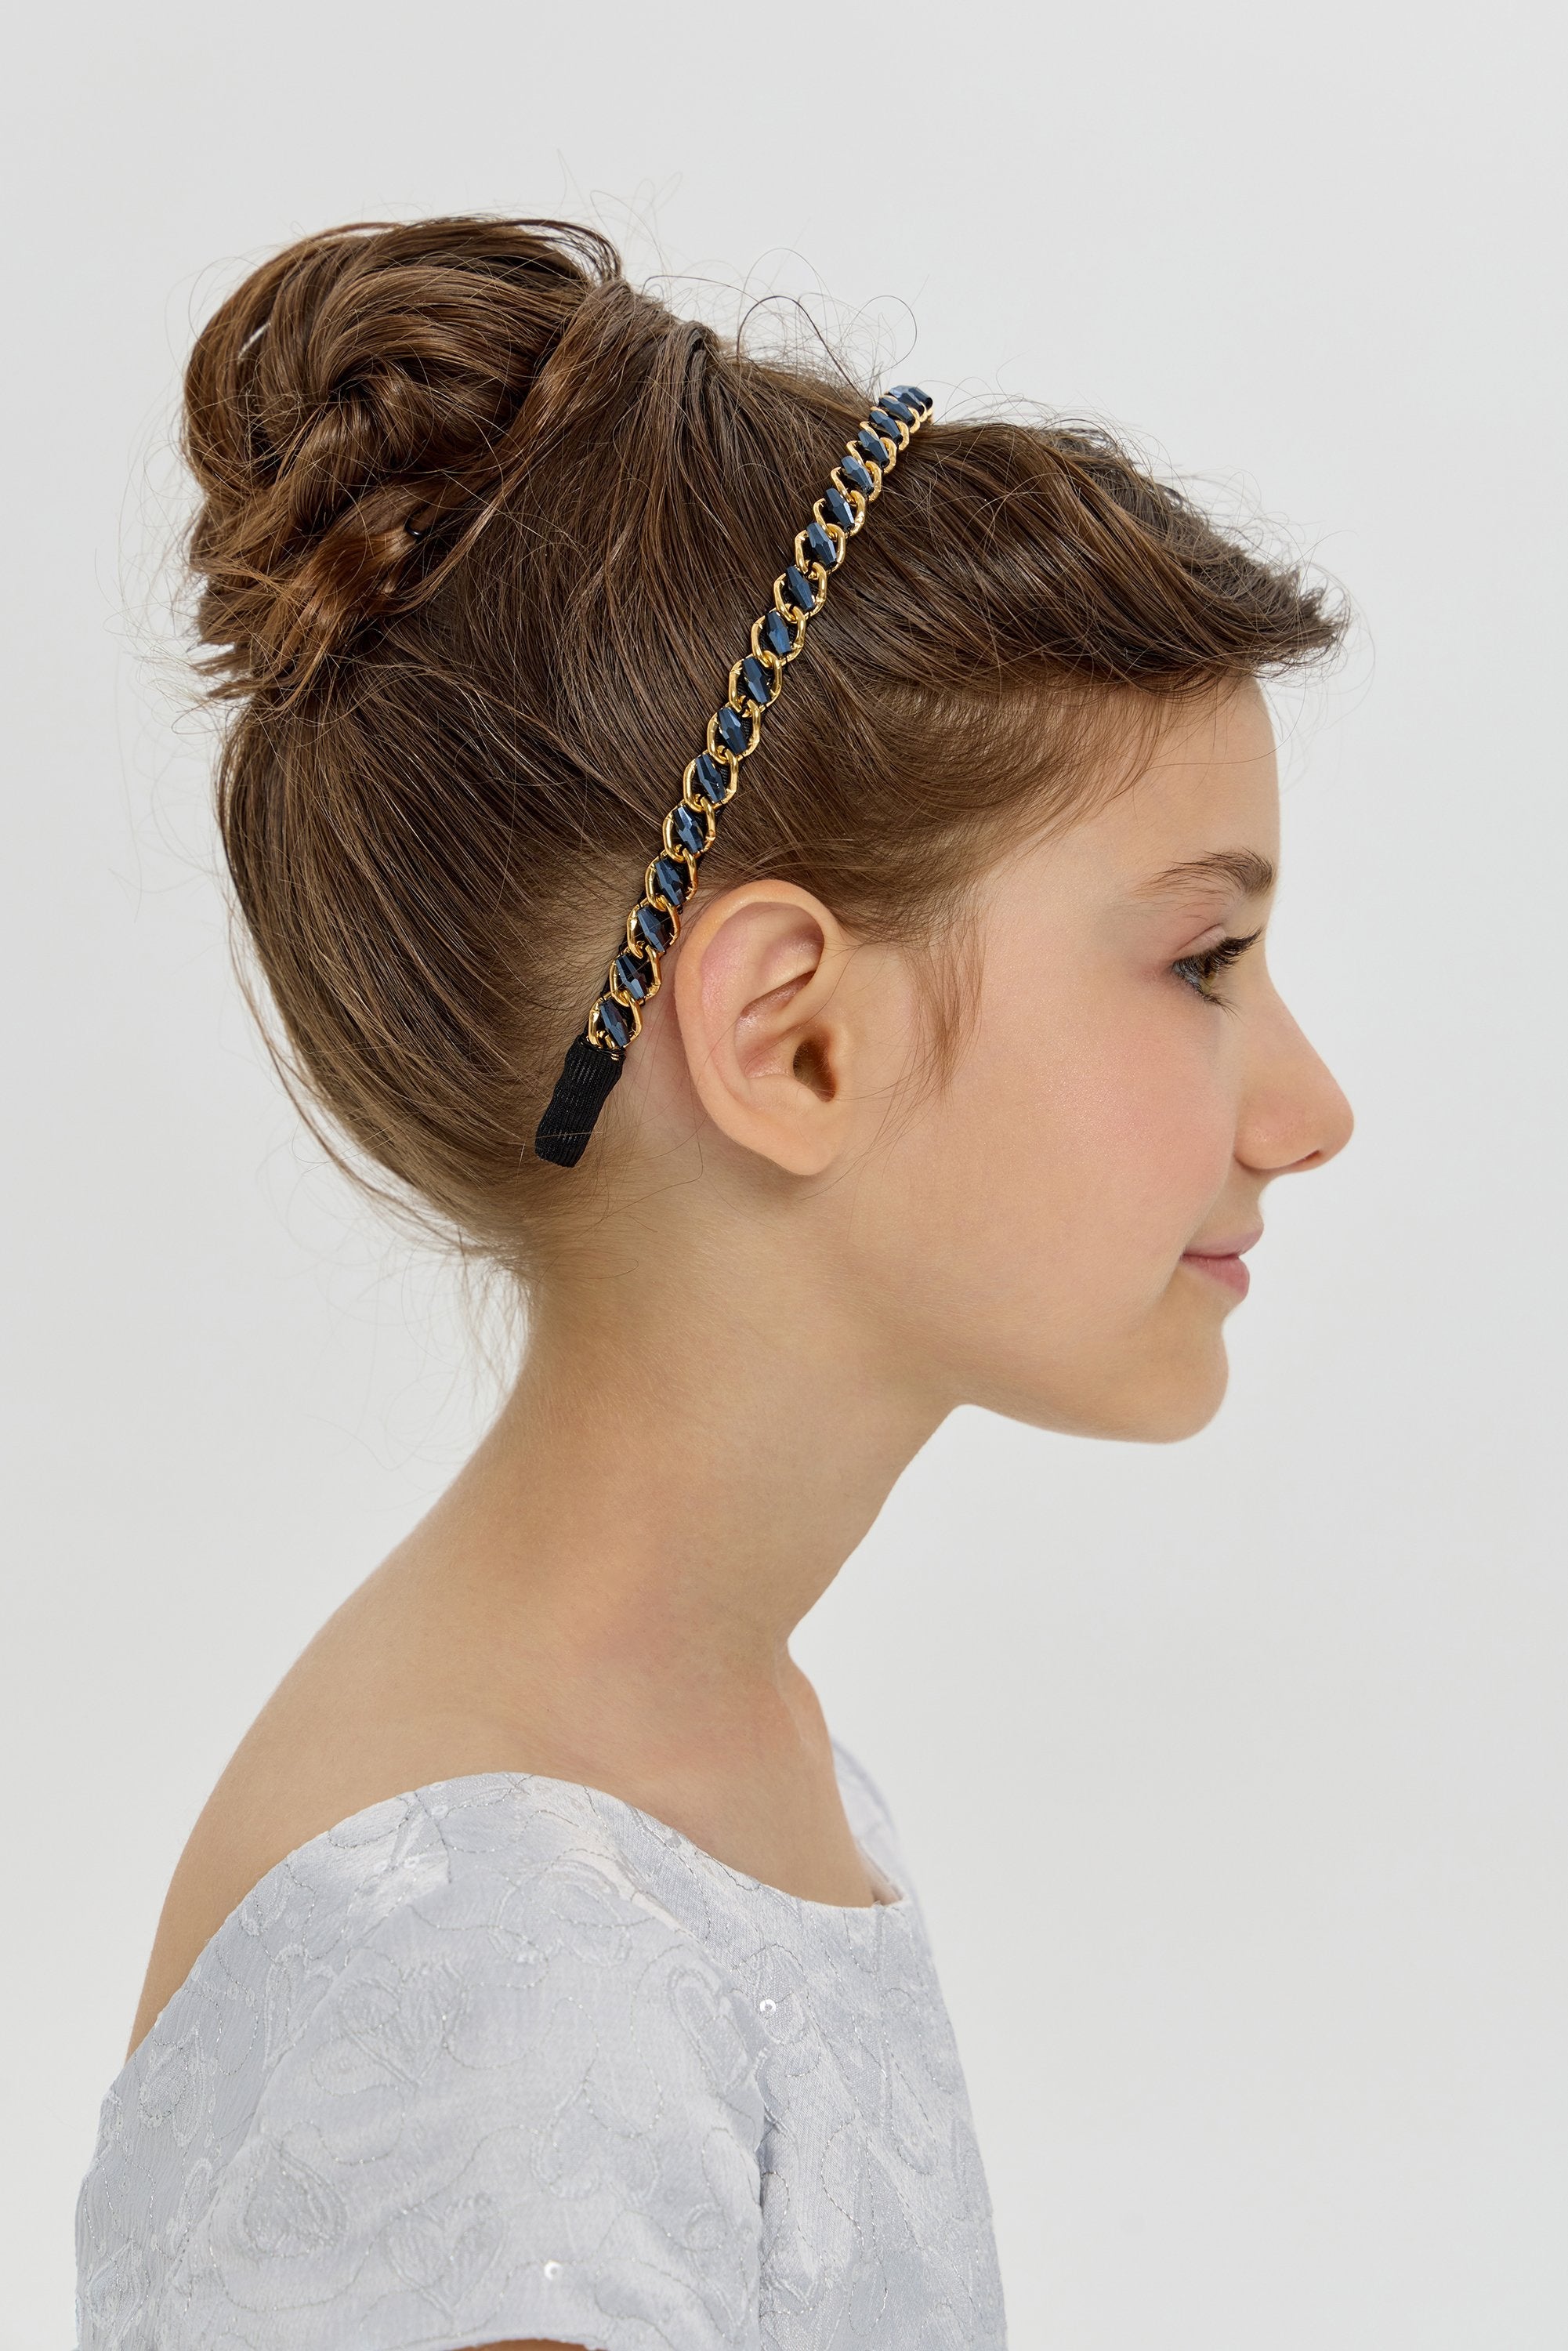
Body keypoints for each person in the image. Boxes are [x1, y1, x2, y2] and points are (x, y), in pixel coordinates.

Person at [74, 216, 1353, 2351]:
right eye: (1201, 959)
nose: (1308, 1111)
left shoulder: (714, 1761)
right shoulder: (495, 1985)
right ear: (792, 1040)